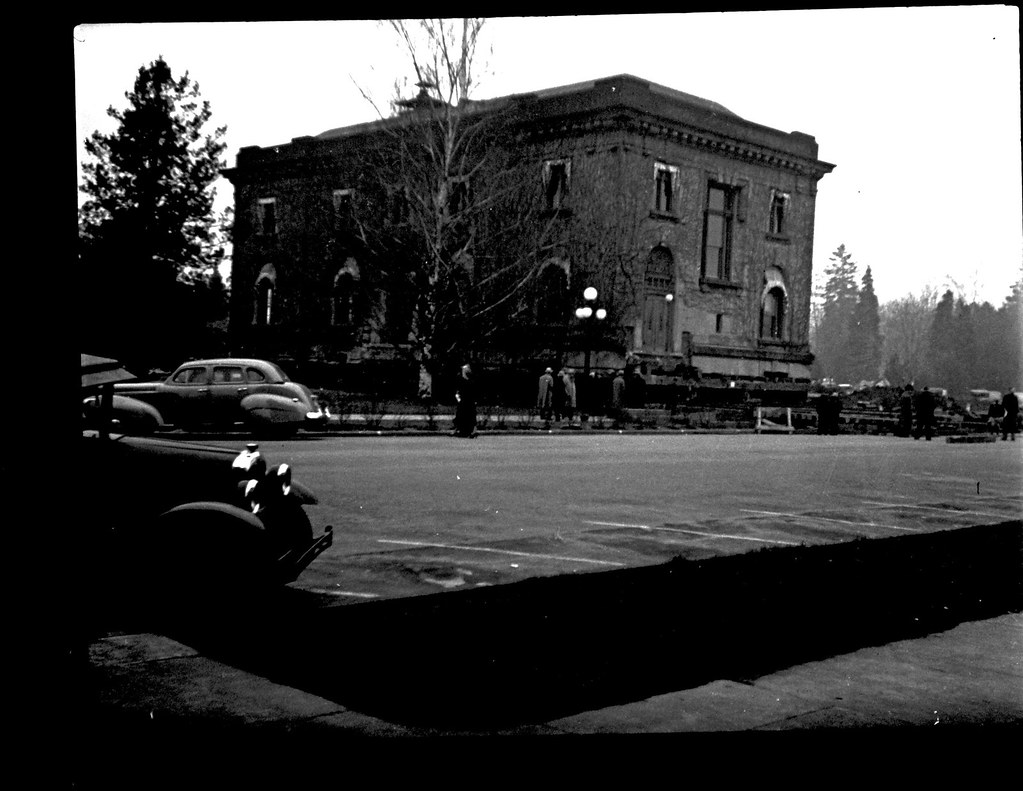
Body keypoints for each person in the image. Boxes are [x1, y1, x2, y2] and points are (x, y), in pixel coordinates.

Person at [453, 363, 477, 438]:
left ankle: (471, 431)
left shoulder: (470, 382)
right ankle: (460, 430)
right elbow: (459, 391)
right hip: (463, 401)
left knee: (469, 415)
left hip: (468, 401)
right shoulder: (462, 381)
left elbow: (472, 392)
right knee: (460, 415)